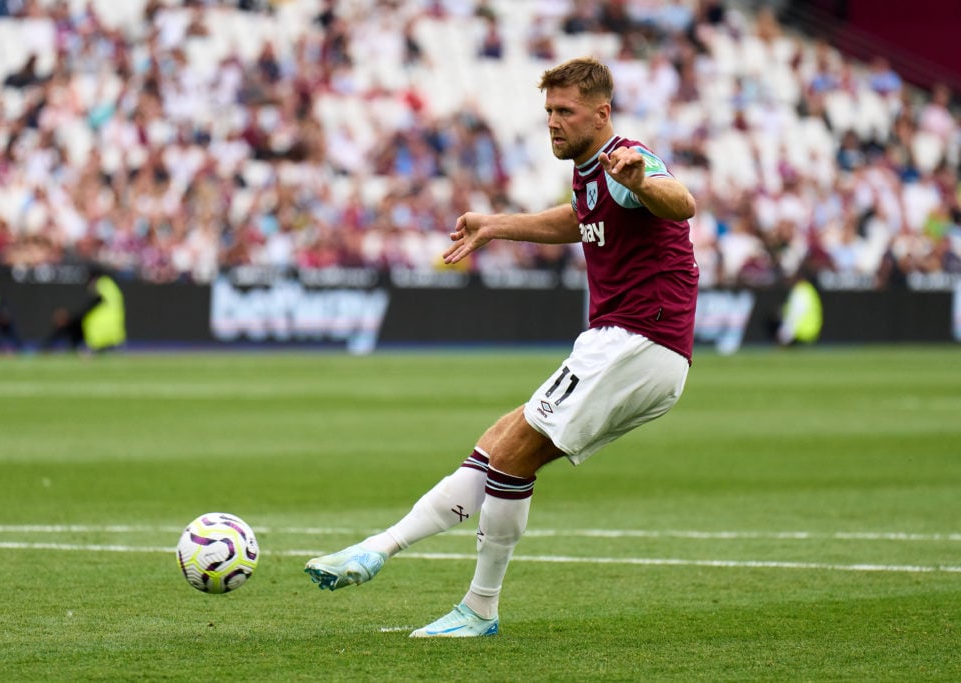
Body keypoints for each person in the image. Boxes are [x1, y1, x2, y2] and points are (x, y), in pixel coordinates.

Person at [304, 57, 699, 637]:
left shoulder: (625, 160)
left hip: (638, 339)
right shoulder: (590, 175)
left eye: (565, 112)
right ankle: (378, 549)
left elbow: (680, 201)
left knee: (511, 455)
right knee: (498, 444)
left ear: (602, 114)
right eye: (548, 112)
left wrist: (641, 178)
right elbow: (579, 219)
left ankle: (479, 609)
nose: (554, 123)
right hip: (628, 345)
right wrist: (496, 225)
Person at [41, 265, 126, 353]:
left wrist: (75, 316)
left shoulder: (101, 284)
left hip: (100, 326)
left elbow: (95, 302)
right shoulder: (110, 285)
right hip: (113, 327)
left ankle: (47, 346)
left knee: (71, 325)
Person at [774, 269, 823, 346]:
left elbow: (795, 314)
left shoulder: (800, 292)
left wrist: (785, 334)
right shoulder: (808, 289)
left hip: (801, 336)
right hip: (810, 334)